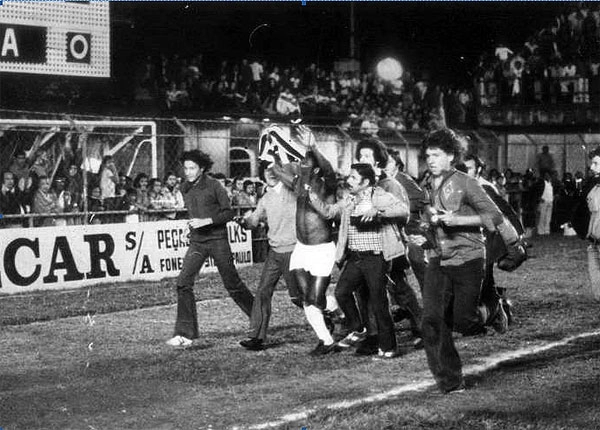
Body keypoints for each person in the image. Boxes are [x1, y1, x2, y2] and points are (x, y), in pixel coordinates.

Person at [416, 129, 520, 394]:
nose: (431, 160)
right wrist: (425, 233)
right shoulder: (427, 183)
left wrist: (458, 220)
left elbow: (495, 217)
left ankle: (495, 309)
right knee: (431, 320)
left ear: (451, 156)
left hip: (469, 258)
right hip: (439, 259)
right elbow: (431, 218)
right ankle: (449, 381)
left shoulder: (465, 182)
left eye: (436, 155)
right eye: (428, 155)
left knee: (464, 322)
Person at [308, 163, 409, 359]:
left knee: (379, 302)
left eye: (353, 178)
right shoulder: (349, 200)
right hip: (356, 257)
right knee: (342, 292)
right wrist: (312, 198)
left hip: (375, 257)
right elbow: (329, 212)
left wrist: (378, 212)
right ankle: (358, 326)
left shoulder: (379, 196)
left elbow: (403, 210)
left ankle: (389, 347)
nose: (349, 180)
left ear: (366, 182)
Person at [166, 150, 254, 348]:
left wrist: (206, 221)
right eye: (185, 168)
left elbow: (229, 213)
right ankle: (184, 334)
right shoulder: (184, 188)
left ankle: (258, 317)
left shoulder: (215, 186)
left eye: (192, 168)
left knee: (232, 284)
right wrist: (189, 227)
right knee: (183, 283)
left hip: (217, 240)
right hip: (197, 242)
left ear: (202, 169)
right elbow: (194, 214)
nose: (188, 172)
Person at [272, 140, 339, 356]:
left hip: (322, 250)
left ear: (316, 167)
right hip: (302, 249)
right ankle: (332, 313)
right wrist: (270, 154)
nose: (300, 164)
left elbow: (328, 169)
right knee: (306, 298)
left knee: (312, 301)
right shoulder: (299, 182)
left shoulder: (327, 184)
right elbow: (276, 171)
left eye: (305, 161)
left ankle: (327, 338)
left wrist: (314, 148)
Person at [236, 167, 301, 351]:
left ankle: (325, 314)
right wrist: (244, 222)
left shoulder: (292, 192)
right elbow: (254, 221)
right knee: (263, 291)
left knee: (298, 297)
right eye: (267, 171)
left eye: (275, 171)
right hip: (274, 252)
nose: (271, 174)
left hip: (292, 250)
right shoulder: (266, 197)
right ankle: (256, 336)